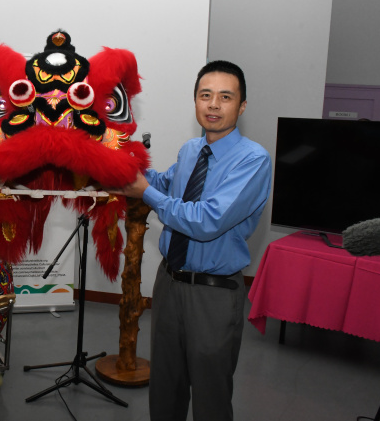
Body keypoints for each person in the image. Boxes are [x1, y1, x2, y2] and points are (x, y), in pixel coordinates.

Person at [114, 60, 272, 421]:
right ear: (196, 101)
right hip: (169, 285)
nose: (213, 104)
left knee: (210, 399)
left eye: (225, 97)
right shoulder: (191, 150)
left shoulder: (253, 160)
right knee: (165, 390)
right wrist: (120, 163)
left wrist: (146, 193)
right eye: (205, 95)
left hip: (213, 295)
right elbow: (165, 184)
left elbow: (206, 220)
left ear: (241, 106)